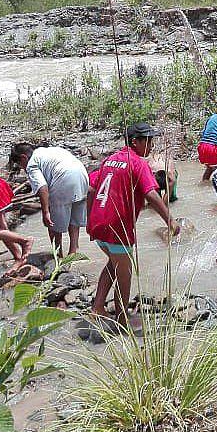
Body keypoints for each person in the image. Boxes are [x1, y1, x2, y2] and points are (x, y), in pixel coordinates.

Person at [87, 123, 180, 328]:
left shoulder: (109, 160)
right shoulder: (138, 163)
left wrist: (89, 219)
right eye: (148, 140)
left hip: (97, 224)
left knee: (113, 264)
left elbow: (91, 189)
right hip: (117, 228)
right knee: (125, 275)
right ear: (135, 142)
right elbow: (151, 194)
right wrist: (170, 221)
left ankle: (98, 307)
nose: (151, 145)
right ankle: (122, 319)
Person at [10, 143, 89, 256]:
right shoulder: (48, 151)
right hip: (82, 175)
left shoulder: (32, 164)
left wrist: (46, 212)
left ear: (23, 158)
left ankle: (58, 254)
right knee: (74, 218)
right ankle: (73, 252)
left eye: (20, 164)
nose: (22, 168)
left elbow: (42, 187)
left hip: (64, 179)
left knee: (51, 223)